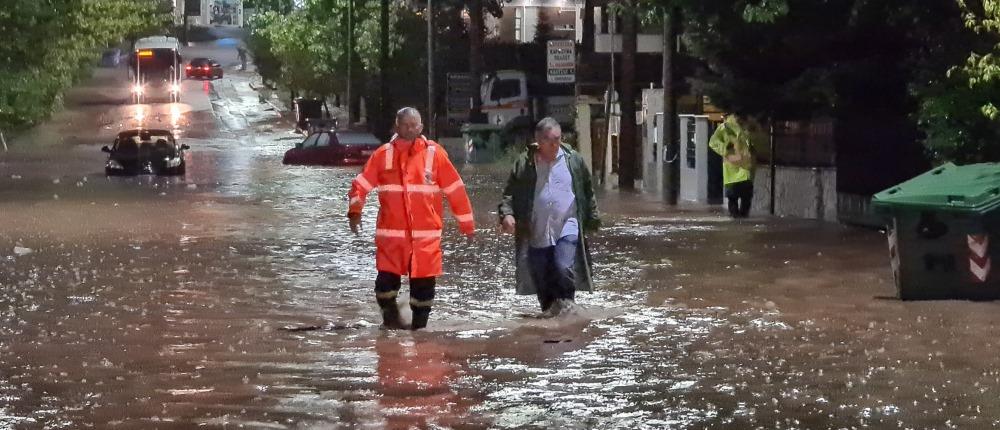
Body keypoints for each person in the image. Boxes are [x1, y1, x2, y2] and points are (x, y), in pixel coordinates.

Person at [347, 107, 475, 330]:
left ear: (422, 127)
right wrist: (355, 211)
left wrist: (467, 224)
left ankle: (419, 333)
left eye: (414, 124)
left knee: (423, 292)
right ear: (397, 126)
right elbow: (361, 185)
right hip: (392, 238)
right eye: (405, 124)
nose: (410, 129)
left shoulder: (435, 154)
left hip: (425, 239)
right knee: (384, 288)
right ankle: (391, 322)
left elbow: (455, 189)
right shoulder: (383, 154)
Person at [498, 117, 600, 316]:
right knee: (542, 277)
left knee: (563, 266)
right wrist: (507, 215)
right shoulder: (525, 164)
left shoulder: (573, 160)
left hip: (567, 224)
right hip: (537, 228)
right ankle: (549, 316)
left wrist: (593, 217)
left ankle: (568, 308)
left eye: (558, 139)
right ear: (538, 141)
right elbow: (509, 193)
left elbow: (587, 189)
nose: (555, 145)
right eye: (550, 141)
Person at [709, 114, 756, 218]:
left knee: (746, 199)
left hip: (746, 167)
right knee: (733, 199)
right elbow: (713, 142)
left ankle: (742, 227)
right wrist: (726, 150)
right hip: (732, 169)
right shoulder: (725, 127)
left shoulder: (750, 126)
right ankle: (736, 227)